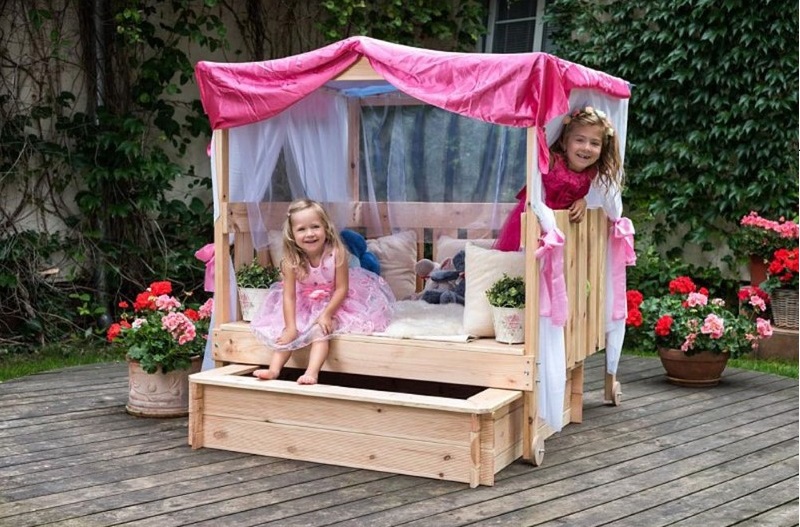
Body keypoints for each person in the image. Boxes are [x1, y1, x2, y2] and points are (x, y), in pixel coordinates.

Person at [250, 199, 395, 384]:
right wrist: (291, 327)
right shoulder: (291, 261)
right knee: (287, 331)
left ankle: (312, 373)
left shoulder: (337, 253)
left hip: (334, 302)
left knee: (320, 331)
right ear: (292, 234)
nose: (309, 234)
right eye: (301, 229)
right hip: (303, 303)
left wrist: (326, 314)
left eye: (315, 227)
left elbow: (342, 288)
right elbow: (289, 296)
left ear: (326, 228)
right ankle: (273, 369)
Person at [493, 105, 623, 251]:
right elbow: (538, 146)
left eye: (594, 143)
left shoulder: (592, 172)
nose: (586, 148)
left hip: (562, 230)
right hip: (535, 222)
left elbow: (581, 196)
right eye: (579, 140)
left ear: (602, 149)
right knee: (525, 259)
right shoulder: (552, 161)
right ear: (564, 143)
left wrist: (582, 201)